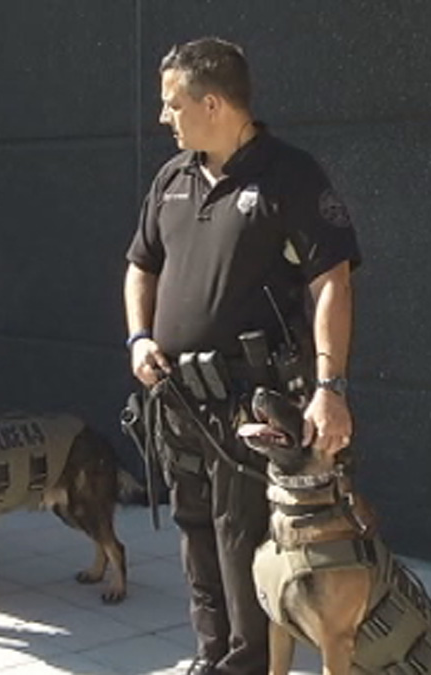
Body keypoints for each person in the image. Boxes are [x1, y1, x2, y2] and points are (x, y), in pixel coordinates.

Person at [124, 37, 359, 675]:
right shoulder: (172, 178)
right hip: (177, 399)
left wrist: (329, 385)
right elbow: (140, 265)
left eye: (172, 105)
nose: (163, 118)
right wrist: (139, 337)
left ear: (213, 102)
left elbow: (332, 279)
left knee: (242, 539)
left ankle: (247, 663)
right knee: (194, 528)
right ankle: (211, 655)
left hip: (248, 401)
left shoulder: (290, 174)